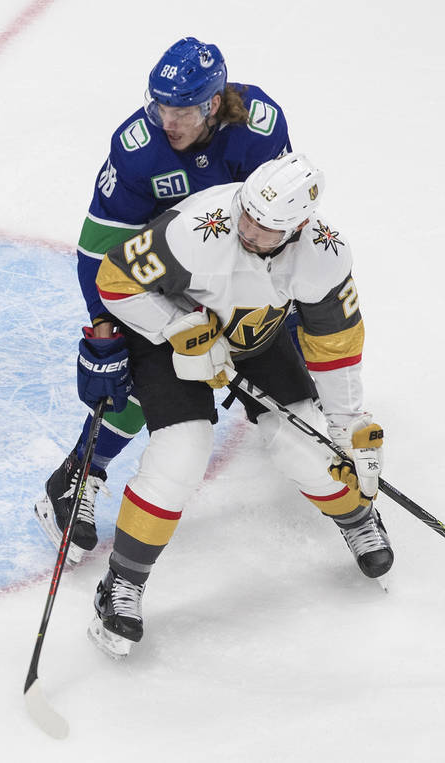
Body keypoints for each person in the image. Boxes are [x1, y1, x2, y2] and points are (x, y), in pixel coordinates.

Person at [85, 152, 389, 658]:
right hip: (167, 341)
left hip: (256, 338)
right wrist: (176, 328)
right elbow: (116, 281)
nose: (247, 228)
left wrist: (348, 426)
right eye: (246, 212)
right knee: (182, 451)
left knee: (309, 448)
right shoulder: (194, 232)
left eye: (266, 227)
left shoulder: (325, 255)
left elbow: (335, 347)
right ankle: (122, 586)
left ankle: (358, 519)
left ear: (299, 227)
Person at [33, 37, 293, 563]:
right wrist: (104, 329)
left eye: (179, 109)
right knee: (137, 379)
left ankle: (310, 438)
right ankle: (76, 476)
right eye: (158, 105)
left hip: (237, 269)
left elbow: (279, 219)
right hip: (158, 276)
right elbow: (98, 248)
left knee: (293, 339)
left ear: (213, 103)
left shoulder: (260, 129)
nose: (165, 120)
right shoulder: (137, 148)